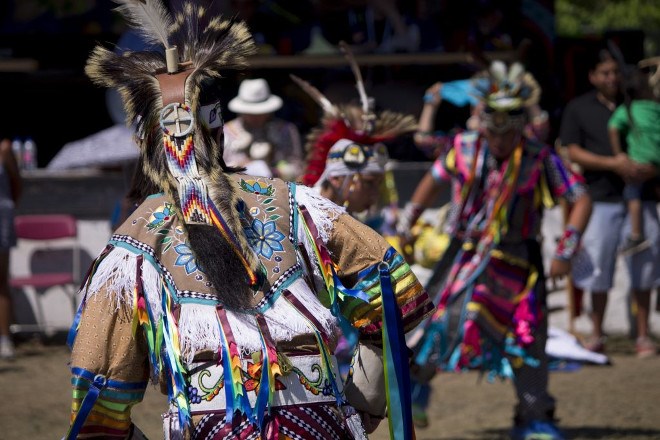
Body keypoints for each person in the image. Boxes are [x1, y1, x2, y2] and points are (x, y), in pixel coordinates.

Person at [64, 2, 432, 439]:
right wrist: (359, 409)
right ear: (219, 133)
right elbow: (392, 291)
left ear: (148, 147)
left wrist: (357, 411)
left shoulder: (131, 251)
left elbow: (97, 401)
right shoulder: (295, 206)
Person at [397, 61, 592, 439]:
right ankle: (417, 389)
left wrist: (566, 249)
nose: (500, 137)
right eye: (493, 122)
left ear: (520, 122)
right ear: (482, 119)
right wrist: (408, 224)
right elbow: (431, 181)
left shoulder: (539, 157)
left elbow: (579, 197)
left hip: (519, 260)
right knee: (441, 323)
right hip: (465, 255)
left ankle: (535, 415)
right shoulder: (464, 149)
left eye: (509, 123)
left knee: (527, 334)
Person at [560, 46, 660, 358]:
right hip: (599, 199)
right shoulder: (579, 108)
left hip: (641, 198)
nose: (612, 78)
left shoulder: (640, 104)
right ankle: (597, 333)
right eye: (605, 72)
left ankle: (643, 335)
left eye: (616, 72)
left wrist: (651, 169)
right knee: (598, 270)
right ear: (592, 76)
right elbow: (571, 151)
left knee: (645, 268)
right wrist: (613, 163)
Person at [607, 67, 660, 256]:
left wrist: (618, 154)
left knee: (632, 193)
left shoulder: (628, 109)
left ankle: (636, 234)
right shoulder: (655, 108)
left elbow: (612, 127)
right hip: (656, 162)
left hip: (638, 162)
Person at [224, 78, 304, 180]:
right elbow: (215, 168)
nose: (255, 117)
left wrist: (273, 171)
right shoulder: (225, 132)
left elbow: (297, 166)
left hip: (278, 190)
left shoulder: (286, 130)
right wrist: (241, 167)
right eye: (250, 112)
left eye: (259, 112)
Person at [0, 138, 21, 360]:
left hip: (1, 216)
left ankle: (5, 338)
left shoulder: (5, 149)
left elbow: (17, 185)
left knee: (1, 280)